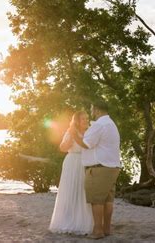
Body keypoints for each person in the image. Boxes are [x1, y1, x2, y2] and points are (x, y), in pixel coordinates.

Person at [74, 101, 121, 240]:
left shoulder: (99, 125)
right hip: (112, 167)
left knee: (97, 201)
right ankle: (106, 229)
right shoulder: (111, 124)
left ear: (97, 110)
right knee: (108, 200)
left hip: (99, 168)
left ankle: (98, 231)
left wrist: (73, 134)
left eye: (92, 109)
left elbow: (86, 144)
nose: (91, 112)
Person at [49, 111, 93, 235]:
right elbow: (62, 148)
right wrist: (70, 140)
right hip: (72, 161)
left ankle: (83, 220)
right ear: (77, 121)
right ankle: (67, 220)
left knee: (83, 191)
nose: (86, 120)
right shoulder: (70, 132)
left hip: (85, 162)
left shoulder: (90, 132)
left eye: (87, 118)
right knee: (70, 190)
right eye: (83, 119)